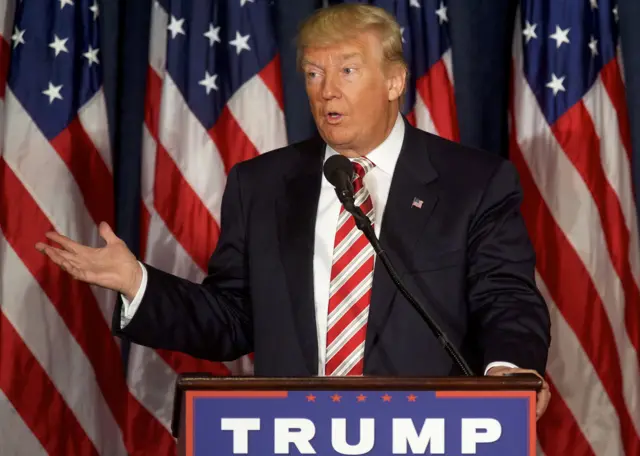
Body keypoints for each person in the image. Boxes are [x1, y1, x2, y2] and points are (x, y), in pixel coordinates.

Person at [35, 4, 551, 418]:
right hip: (293, 432)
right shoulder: (260, 185)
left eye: (348, 70)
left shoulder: (474, 183)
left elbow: (506, 298)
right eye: (313, 73)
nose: (327, 90)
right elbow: (232, 321)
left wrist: (509, 371)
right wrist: (138, 283)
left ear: (395, 81)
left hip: (428, 431)